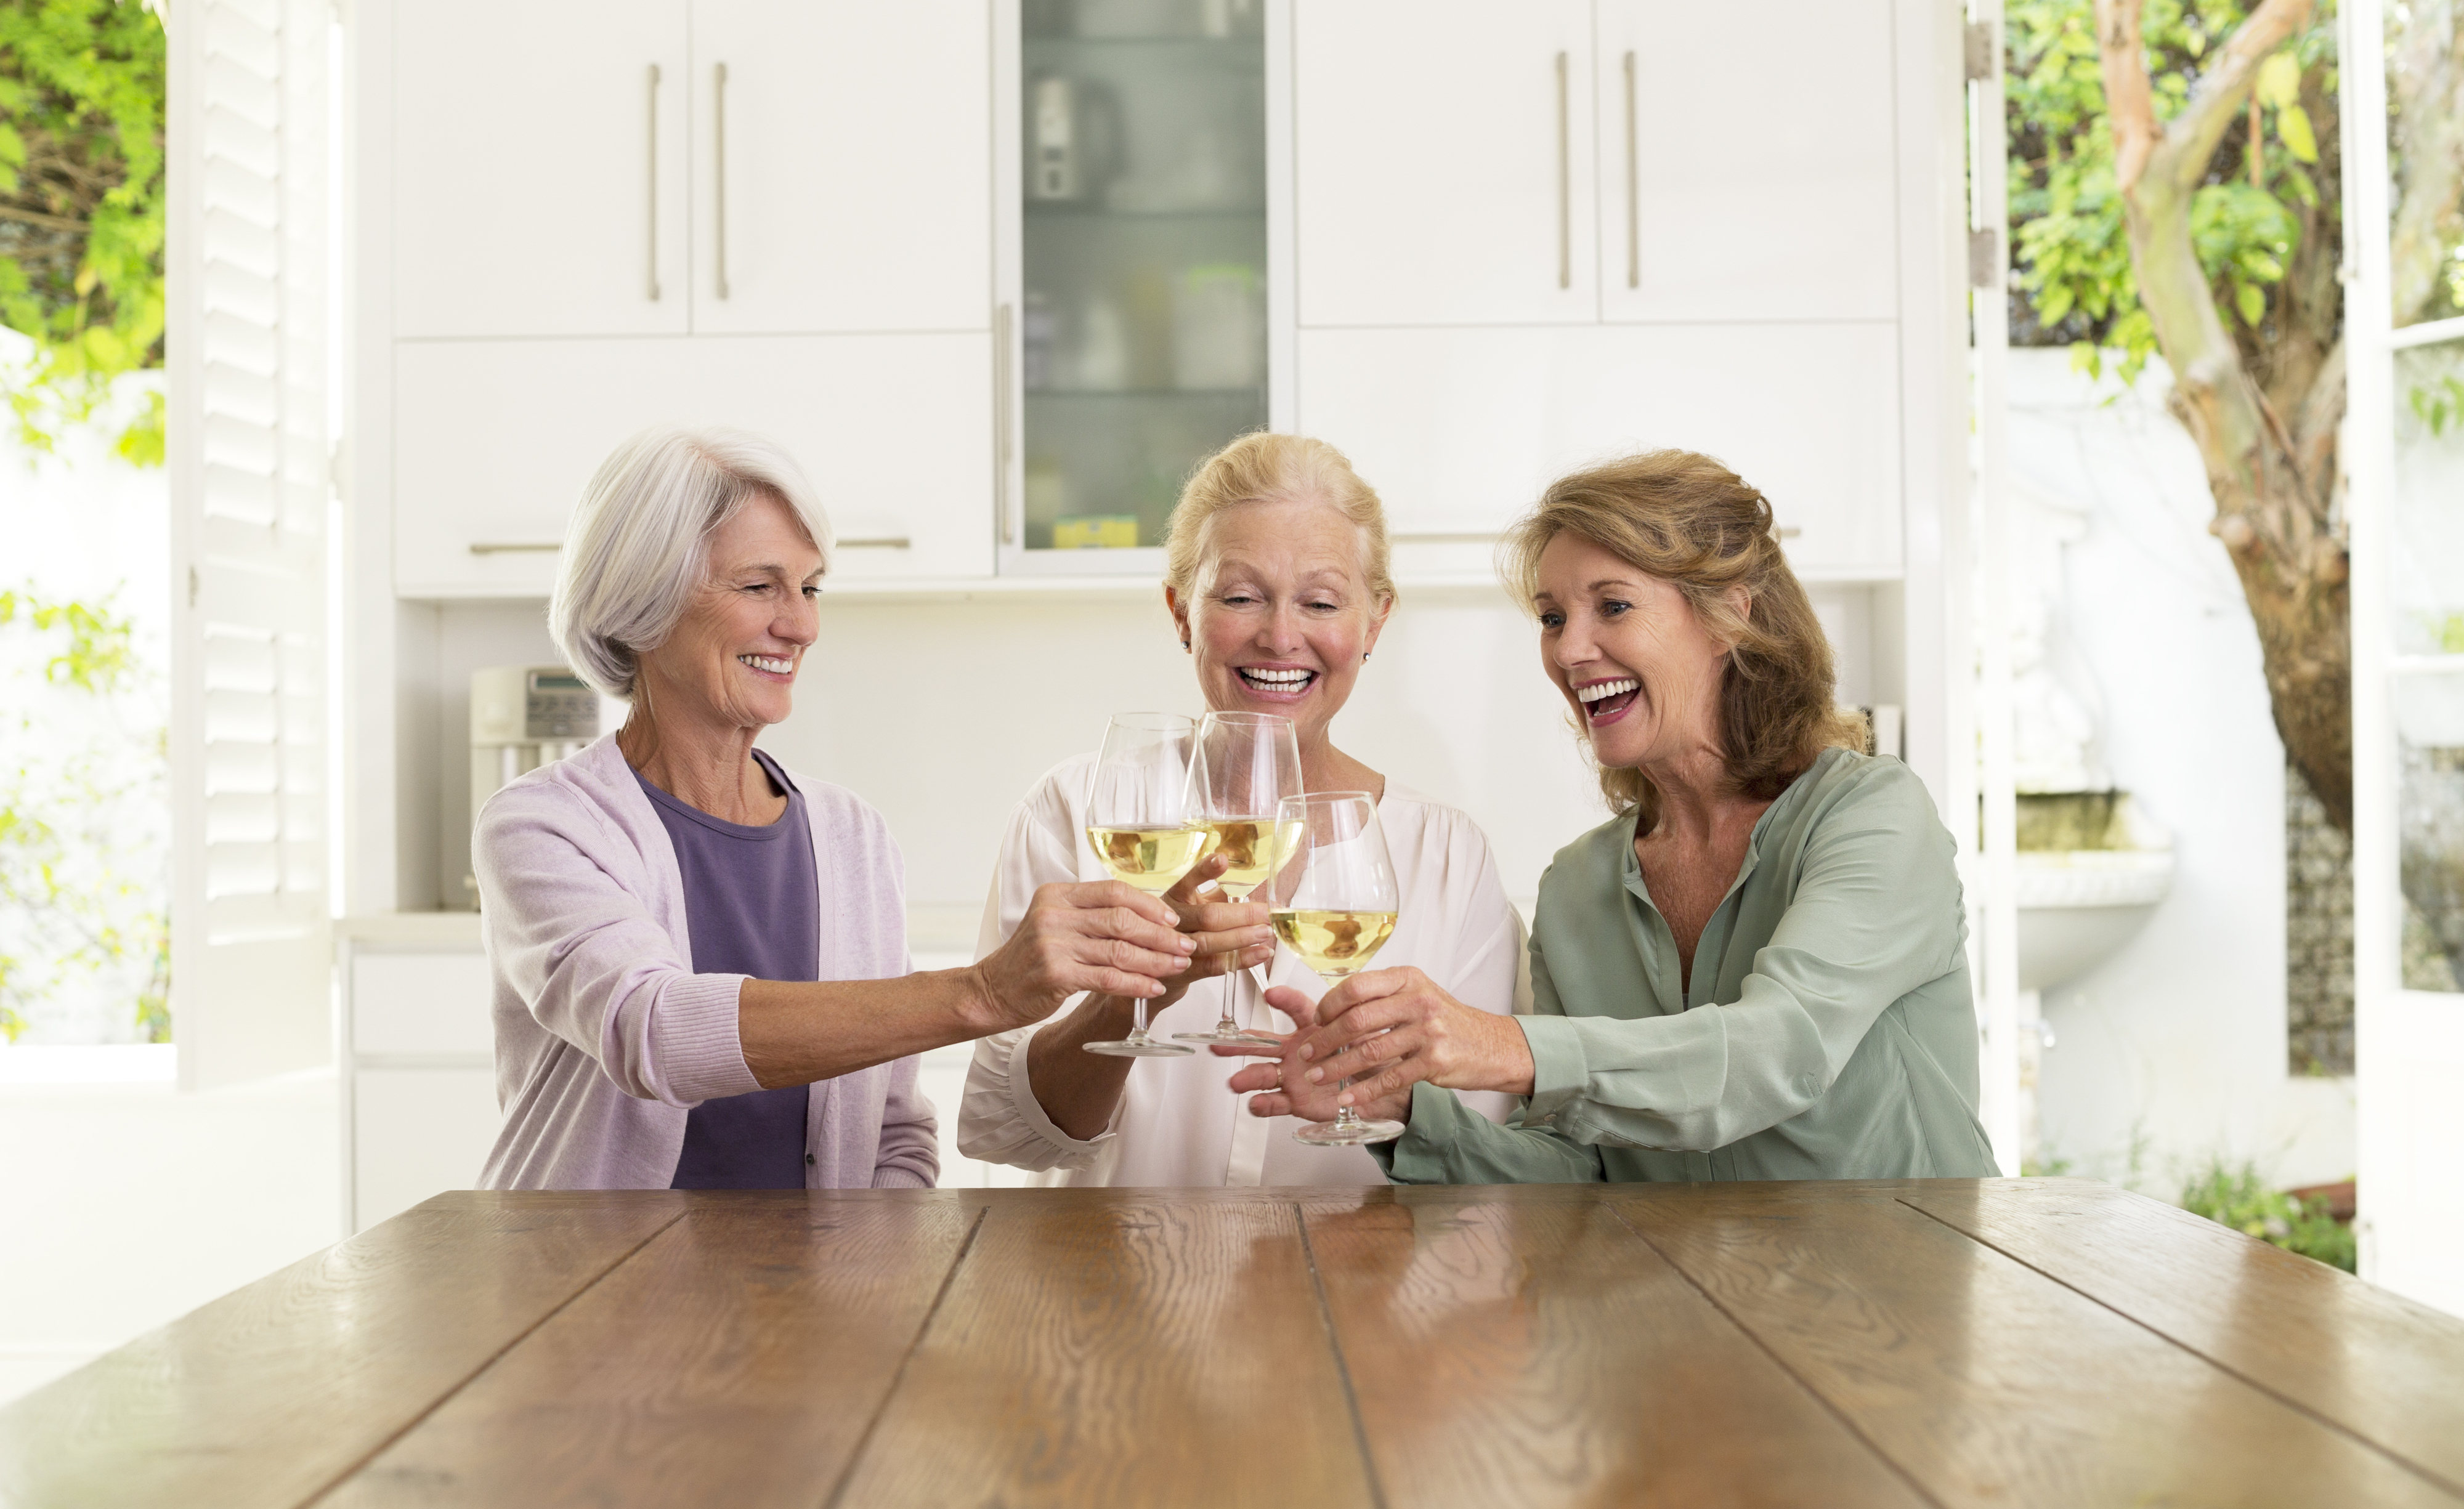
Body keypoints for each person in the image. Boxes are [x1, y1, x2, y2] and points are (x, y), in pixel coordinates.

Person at [1231, 450, 1998, 1183]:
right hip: (1689, 1307)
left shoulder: (1872, 816)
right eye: (1552, 617)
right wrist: (1404, 1113)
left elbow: (1777, 1053)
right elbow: (1581, 1170)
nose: (1569, 650)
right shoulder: (1579, 886)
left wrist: (1506, 1047)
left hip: (1902, 1297)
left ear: (1731, 613)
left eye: (1613, 606)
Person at [474, 427, 1199, 1190]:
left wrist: (863, 1284)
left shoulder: (851, 836)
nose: (801, 625)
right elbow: (653, 1032)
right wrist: (982, 992)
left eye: (810, 588)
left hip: (809, 1306)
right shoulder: (544, 827)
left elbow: (895, 1135)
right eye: (760, 587)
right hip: (590, 1292)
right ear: (641, 600)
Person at [958, 432, 1523, 1186]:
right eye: (1240, 596)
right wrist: (1133, 1000)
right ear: (1181, 612)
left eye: (1320, 602)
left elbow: (1482, 1157)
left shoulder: (1448, 857)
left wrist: (1380, 1089)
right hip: (1117, 1301)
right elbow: (1010, 1136)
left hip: (1355, 1300)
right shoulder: (1073, 811)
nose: (1280, 636)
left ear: (1374, 624)